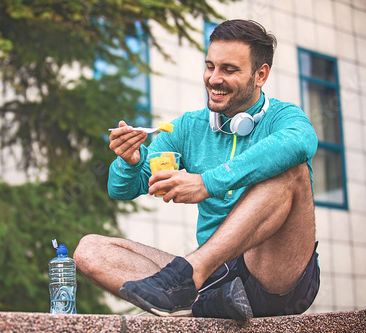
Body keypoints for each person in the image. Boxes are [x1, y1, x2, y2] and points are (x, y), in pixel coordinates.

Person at [73, 19, 320, 319]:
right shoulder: (189, 127)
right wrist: (131, 161)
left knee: (291, 171)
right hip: (215, 281)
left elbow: (301, 143)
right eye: (210, 66)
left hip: (273, 273)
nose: (214, 78)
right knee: (88, 250)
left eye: (229, 70)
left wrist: (207, 182)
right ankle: (203, 302)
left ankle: (191, 278)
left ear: (260, 75)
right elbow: (122, 189)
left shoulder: (283, 117)